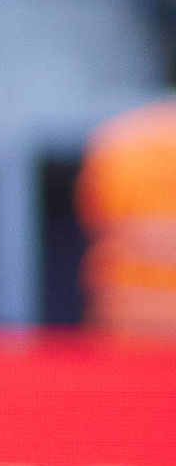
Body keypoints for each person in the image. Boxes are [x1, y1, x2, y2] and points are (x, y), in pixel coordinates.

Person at [79, 98, 176, 335]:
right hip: (126, 315)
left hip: (124, 314)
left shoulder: (118, 136)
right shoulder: (121, 138)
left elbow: (93, 217)